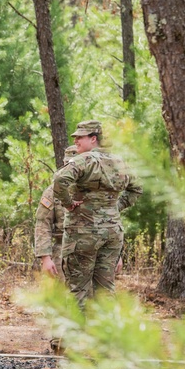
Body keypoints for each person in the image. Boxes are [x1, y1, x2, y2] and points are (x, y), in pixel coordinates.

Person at [51, 120, 142, 307]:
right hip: (112, 232)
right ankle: (107, 335)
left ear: (93, 139)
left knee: (78, 288)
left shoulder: (84, 160)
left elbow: (60, 179)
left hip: (83, 232)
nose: (76, 141)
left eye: (80, 137)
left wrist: (68, 204)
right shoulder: (119, 162)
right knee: (106, 289)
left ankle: (79, 335)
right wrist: (114, 208)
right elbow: (137, 188)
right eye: (75, 137)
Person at [34, 145, 78, 279]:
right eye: (67, 164)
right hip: (62, 251)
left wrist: (117, 255)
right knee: (62, 297)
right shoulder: (53, 191)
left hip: (92, 251)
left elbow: (109, 222)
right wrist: (45, 258)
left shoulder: (94, 190)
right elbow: (42, 223)